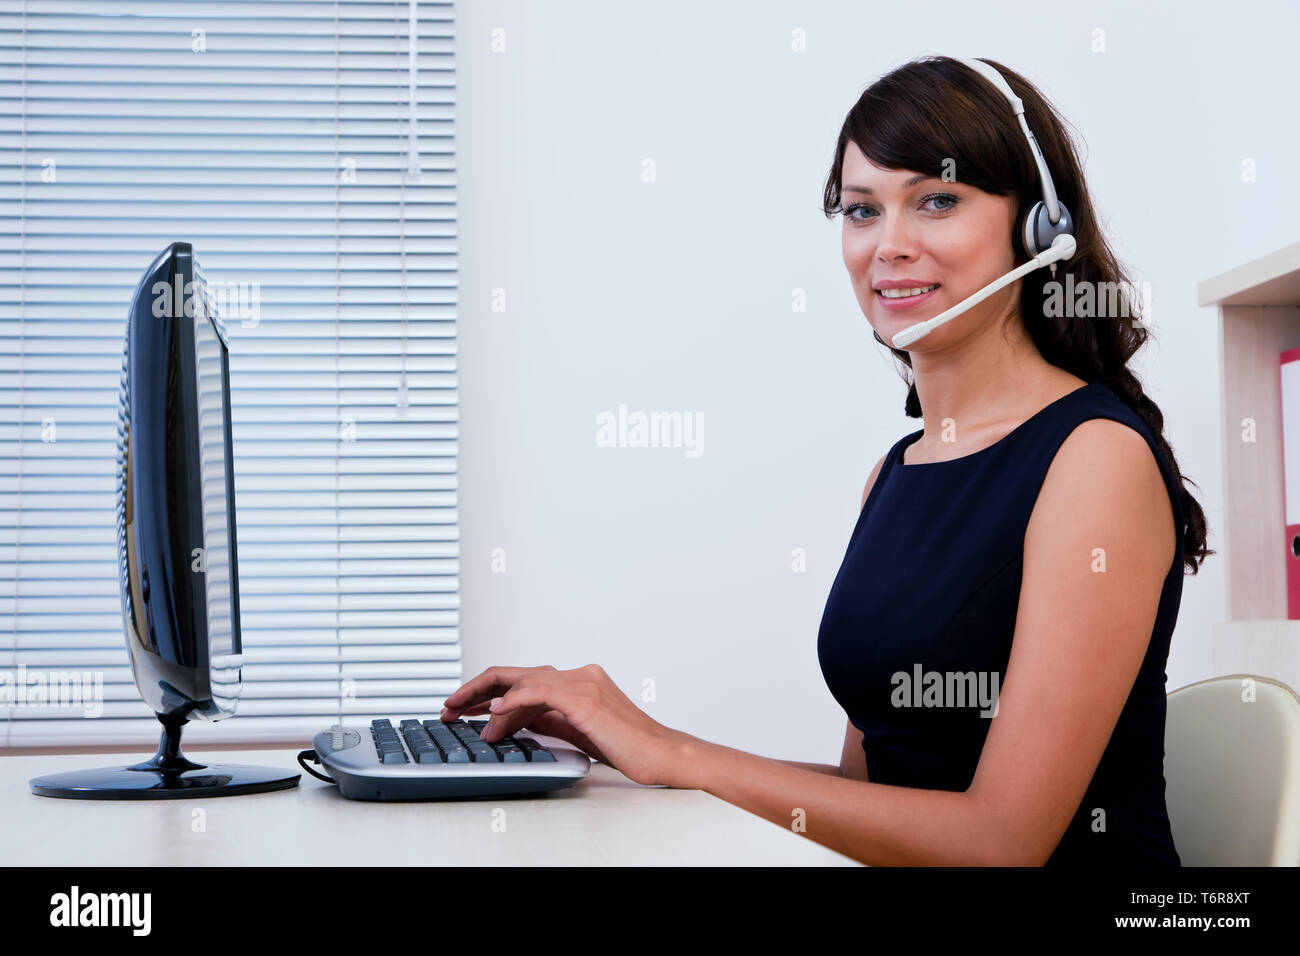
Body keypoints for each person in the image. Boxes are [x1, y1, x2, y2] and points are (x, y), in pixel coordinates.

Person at [439, 55, 1213, 866]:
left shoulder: (1094, 459)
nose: (890, 246)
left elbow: (1000, 841)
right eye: (860, 210)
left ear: (1038, 228)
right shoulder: (898, 472)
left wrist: (674, 755)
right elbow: (871, 805)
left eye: (938, 201)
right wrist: (635, 750)